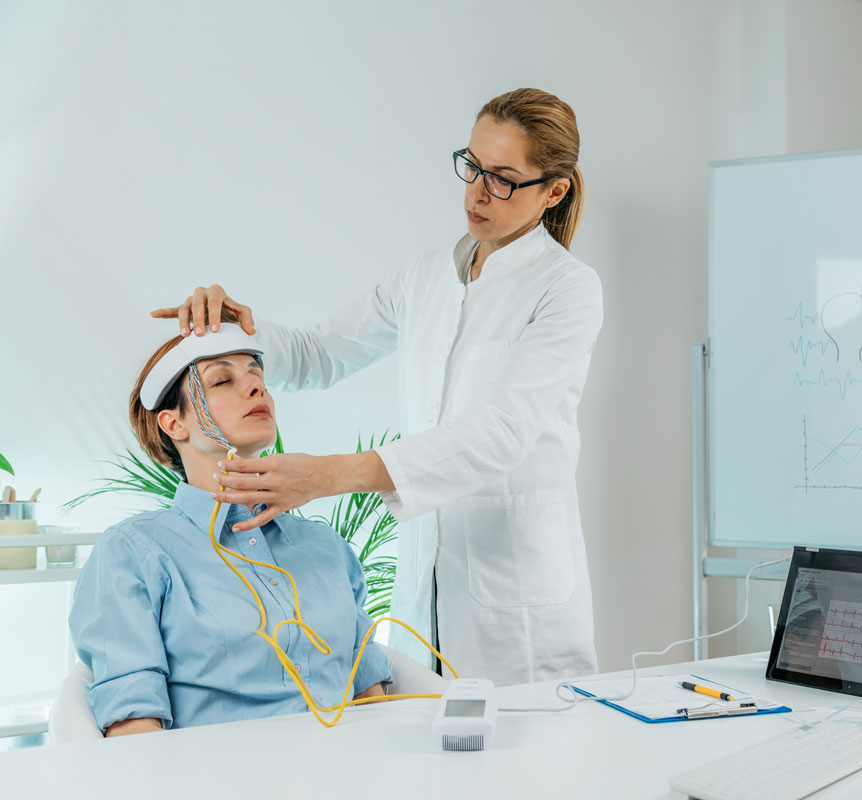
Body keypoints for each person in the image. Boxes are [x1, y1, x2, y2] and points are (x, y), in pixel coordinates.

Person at [150, 88, 602, 686]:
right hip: (427, 596)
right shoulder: (425, 279)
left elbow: (503, 434)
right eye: (471, 166)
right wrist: (232, 325)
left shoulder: (566, 288)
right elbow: (318, 354)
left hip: (519, 608)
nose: (475, 192)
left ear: (554, 190)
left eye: (502, 179)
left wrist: (333, 475)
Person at [69, 326, 392, 736]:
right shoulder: (133, 552)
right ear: (174, 424)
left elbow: (375, 699)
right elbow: (134, 734)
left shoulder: (325, 546)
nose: (257, 388)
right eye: (223, 380)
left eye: (258, 376)